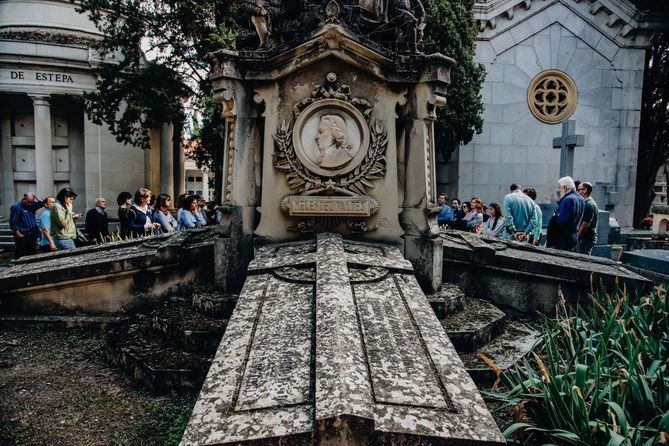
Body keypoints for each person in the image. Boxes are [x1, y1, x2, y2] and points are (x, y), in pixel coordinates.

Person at [546, 176, 584, 251]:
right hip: (573, 236)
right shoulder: (581, 198)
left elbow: (561, 220)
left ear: (565, 187)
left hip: (563, 238)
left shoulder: (567, 199)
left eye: (560, 187)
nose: (559, 190)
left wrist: (555, 216)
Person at [9, 192, 44, 258]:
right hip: (22, 233)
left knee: (32, 253)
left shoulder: (31, 205)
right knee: (20, 253)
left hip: (32, 233)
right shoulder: (16, 206)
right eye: (28, 201)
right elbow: (13, 222)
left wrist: (35, 195)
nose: (30, 203)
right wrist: (18, 234)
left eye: (31, 201)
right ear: (24, 198)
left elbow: (42, 203)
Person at [576, 182, 598, 254]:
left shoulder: (588, 205)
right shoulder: (589, 203)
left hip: (585, 239)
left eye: (578, 190)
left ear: (585, 190)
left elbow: (585, 224)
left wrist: (577, 237)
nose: (577, 192)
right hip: (586, 238)